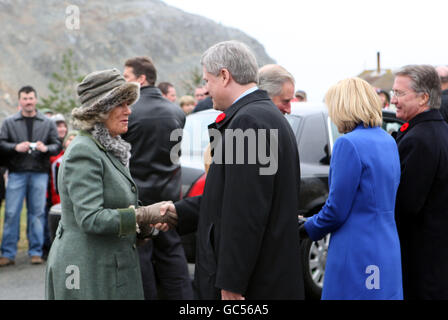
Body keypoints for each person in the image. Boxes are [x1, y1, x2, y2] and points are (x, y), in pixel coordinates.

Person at [158, 40, 305, 300]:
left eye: (208, 81)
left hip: (253, 285)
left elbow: (246, 211)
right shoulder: (262, 116)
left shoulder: (249, 122)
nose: (206, 89)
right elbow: (228, 196)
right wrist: (178, 212)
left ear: (225, 76)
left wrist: (232, 284)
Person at [45, 68, 175, 299]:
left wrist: (146, 226)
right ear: (99, 110)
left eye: (128, 103)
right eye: (120, 104)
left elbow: (115, 204)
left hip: (106, 266)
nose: (129, 110)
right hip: (87, 271)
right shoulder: (84, 151)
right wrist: (143, 215)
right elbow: (91, 218)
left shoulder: (108, 148)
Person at [300, 77, 403, 300]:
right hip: (387, 246)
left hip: (357, 250)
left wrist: (306, 226)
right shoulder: (389, 141)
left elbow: (336, 210)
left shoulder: (348, 144)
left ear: (343, 106)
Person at [122, 57, 193, 300]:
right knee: (172, 251)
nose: (124, 82)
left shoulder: (127, 113)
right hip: (169, 192)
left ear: (141, 79)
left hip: (137, 196)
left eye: (127, 77)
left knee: (140, 255)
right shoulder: (176, 111)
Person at [391, 64, 448, 299]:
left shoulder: (419, 140)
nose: (393, 100)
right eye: (393, 92)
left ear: (424, 97)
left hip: (421, 261)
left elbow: (406, 206)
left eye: (399, 93)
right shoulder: (440, 130)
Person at [0, 86, 61, 267]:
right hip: (16, 172)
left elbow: (56, 144)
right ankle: (8, 253)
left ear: (36, 100)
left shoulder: (47, 122)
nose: (28, 101)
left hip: (39, 173)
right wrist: (14, 147)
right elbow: (1, 143)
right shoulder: (9, 122)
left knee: (37, 213)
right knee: (11, 213)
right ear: (20, 101)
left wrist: (45, 149)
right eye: (25, 98)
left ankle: (35, 252)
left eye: (31, 98)